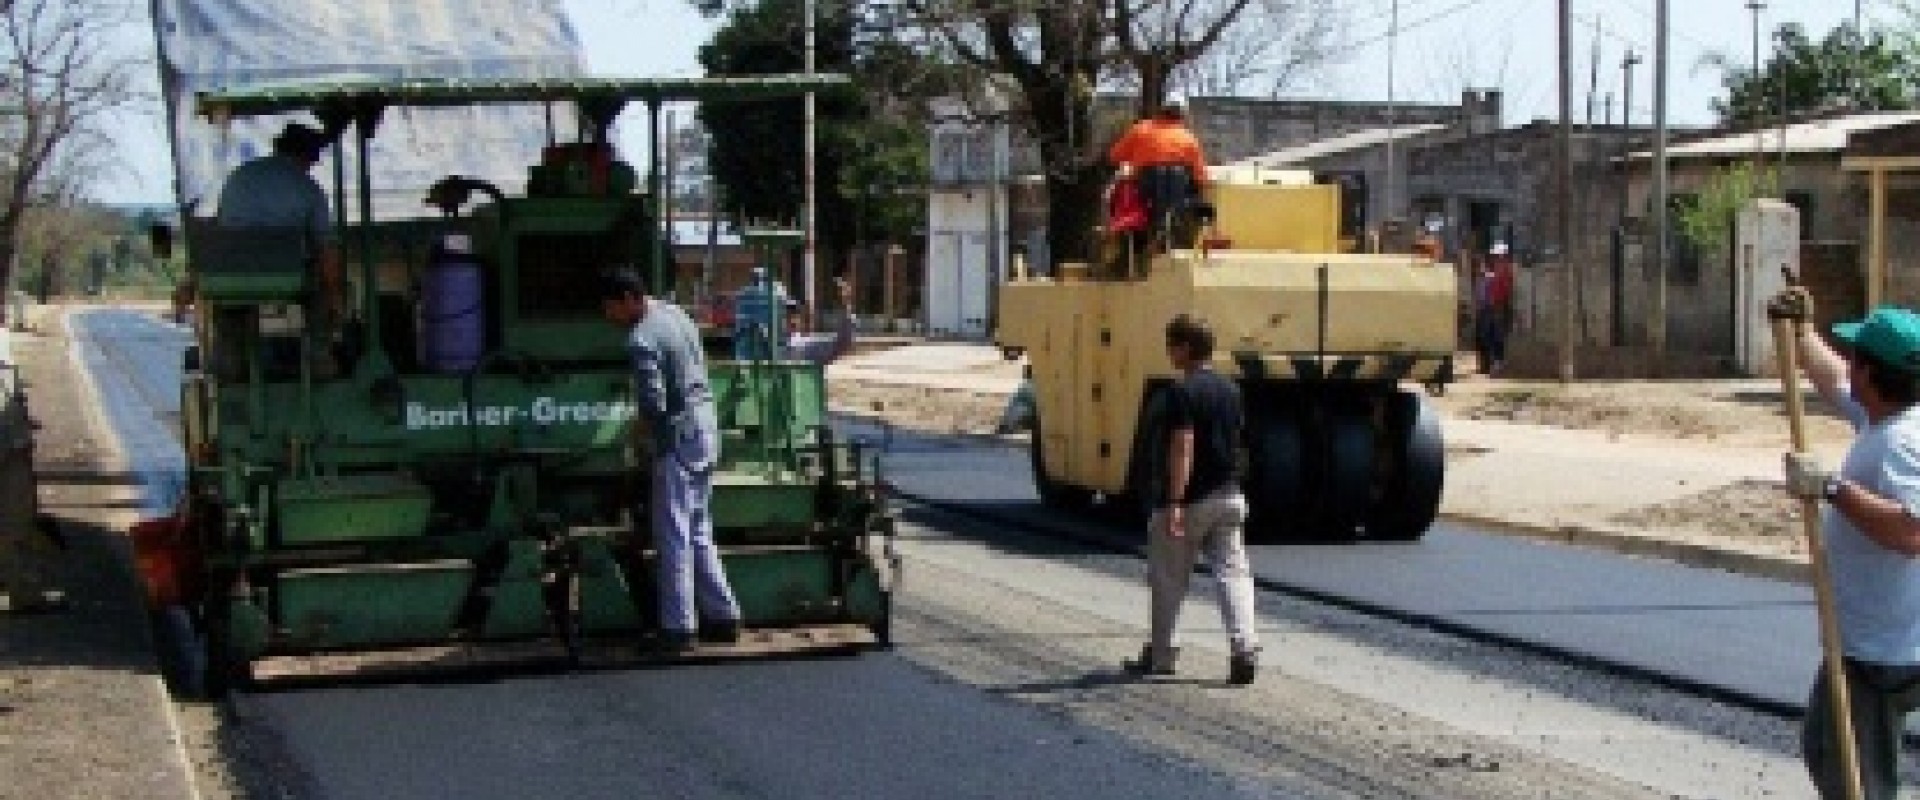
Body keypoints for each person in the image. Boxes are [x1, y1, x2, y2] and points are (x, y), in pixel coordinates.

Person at [1774, 287, 1920, 800]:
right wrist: (1803, 330)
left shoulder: (1902, 444)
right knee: (1825, 748)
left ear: (1872, 372)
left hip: (1884, 653)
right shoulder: (1885, 421)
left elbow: (1911, 532)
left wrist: (1830, 488)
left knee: (1858, 781)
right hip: (1865, 642)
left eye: (1857, 358)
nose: (1849, 366)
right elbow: (1832, 378)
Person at [599, 268, 742, 652]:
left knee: (673, 532)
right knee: (699, 528)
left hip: (677, 439)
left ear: (630, 299)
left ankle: (678, 628)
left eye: (611, 308)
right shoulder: (677, 315)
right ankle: (723, 616)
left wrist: (632, 442)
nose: (609, 317)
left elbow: (653, 406)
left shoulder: (641, 340)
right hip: (707, 429)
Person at [1122, 314, 1259, 685]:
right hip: (1229, 497)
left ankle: (1162, 655)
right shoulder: (1232, 391)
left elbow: (1183, 447)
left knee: (1168, 579)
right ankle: (1244, 647)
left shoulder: (1181, 392)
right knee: (1233, 575)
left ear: (1185, 348)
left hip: (1192, 500)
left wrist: (1175, 502)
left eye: (1171, 345)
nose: (1168, 352)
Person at [215, 122, 343, 313]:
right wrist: (335, 296)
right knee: (323, 281)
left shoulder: (238, 176)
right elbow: (326, 250)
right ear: (310, 156)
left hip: (231, 274)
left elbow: (222, 223)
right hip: (283, 276)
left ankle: (234, 338)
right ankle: (321, 336)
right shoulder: (309, 189)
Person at [1108, 101, 1209, 251]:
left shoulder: (1140, 129)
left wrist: (1136, 157)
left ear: (1159, 113)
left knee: (1134, 200)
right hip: (1178, 184)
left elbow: (1114, 156)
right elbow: (1200, 175)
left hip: (1147, 181)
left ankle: (1143, 239)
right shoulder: (1188, 138)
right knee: (1183, 202)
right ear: (1181, 117)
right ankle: (1174, 232)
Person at [784, 277, 857, 366]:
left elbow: (842, 344)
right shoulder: (795, 347)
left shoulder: (803, 342)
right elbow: (841, 344)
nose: (794, 319)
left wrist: (846, 306)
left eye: (795, 314)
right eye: (787, 315)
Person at [1474, 243, 1515, 375]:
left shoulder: (1506, 271)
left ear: (1503, 256)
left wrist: (1496, 302)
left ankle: (1497, 362)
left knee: (1496, 336)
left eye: (1497, 256)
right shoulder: (1495, 272)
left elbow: (1505, 290)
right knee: (1485, 336)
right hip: (1488, 307)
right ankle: (1488, 364)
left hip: (1498, 307)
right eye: (1494, 256)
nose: (1495, 259)